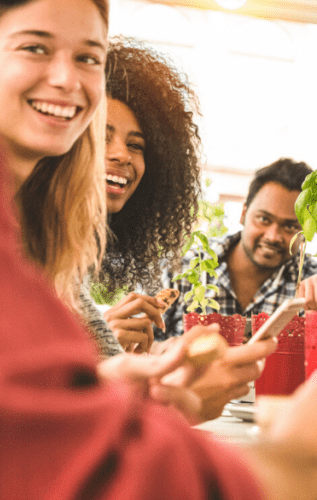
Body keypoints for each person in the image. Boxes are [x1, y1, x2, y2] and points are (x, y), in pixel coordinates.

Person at [0, 1, 317, 500]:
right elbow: (92, 498)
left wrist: (119, 386)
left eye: (89, 57)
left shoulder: (38, 239)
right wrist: (315, 465)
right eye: (35, 47)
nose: (67, 79)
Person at [94, 37, 203, 355]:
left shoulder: (88, 254)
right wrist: (101, 343)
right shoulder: (21, 238)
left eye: (136, 145)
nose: (122, 155)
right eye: (103, 136)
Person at [156, 157, 317, 340]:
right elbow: (137, 344)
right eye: (263, 219)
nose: (273, 236)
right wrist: (170, 350)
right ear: (243, 214)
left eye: (290, 227)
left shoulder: (310, 280)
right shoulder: (184, 266)